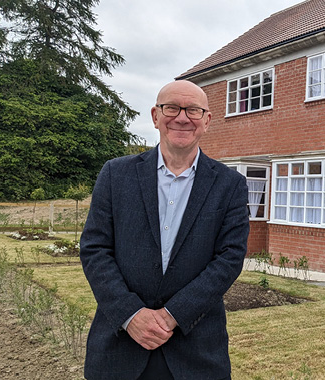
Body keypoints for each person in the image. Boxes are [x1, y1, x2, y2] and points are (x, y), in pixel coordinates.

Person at [80, 80, 249, 380]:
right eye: (171, 108)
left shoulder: (230, 185)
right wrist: (131, 315)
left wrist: (172, 316)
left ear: (206, 120)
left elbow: (229, 259)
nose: (182, 117)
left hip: (196, 354)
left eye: (193, 110)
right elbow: (95, 249)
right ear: (155, 116)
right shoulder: (115, 175)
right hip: (120, 348)